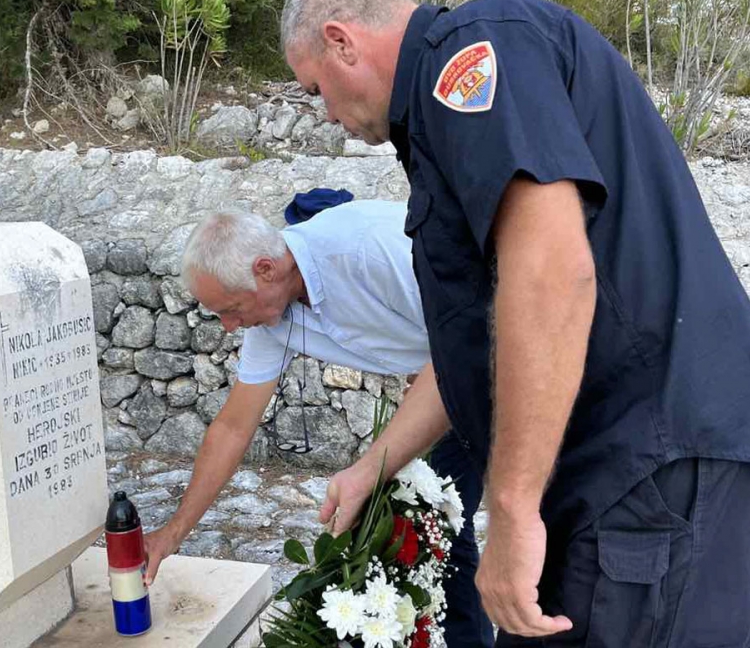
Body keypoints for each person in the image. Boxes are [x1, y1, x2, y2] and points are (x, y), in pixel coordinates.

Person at [281, 0, 750, 646]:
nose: (325, 114)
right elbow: (480, 347)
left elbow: (553, 274)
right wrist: (373, 466)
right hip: (615, 480)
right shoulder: (437, 117)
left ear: (340, 42)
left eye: (314, 91)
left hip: (653, 472)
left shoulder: (475, 51)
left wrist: (510, 508)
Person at [143, 202, 495, 647]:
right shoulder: (271, 318)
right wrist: (174, 532)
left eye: (230, 309)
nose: (230, 327)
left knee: (513, 527)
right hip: (451, 379)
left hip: (514, 358)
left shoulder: (366, 249)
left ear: (266, 269)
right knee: (433, 526)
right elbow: (234, 426)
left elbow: (468, 341)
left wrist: (367, 471)